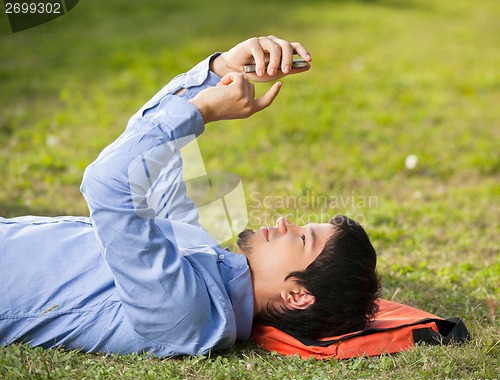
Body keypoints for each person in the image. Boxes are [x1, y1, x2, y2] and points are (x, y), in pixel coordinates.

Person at [0, 36, 380, 356]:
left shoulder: (188, 311)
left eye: (302, 237)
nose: (284, 221)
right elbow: (151, 156)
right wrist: (221, 70)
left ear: (297, 296)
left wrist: (198, 113)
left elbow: (107, 185)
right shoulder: (202, 253)